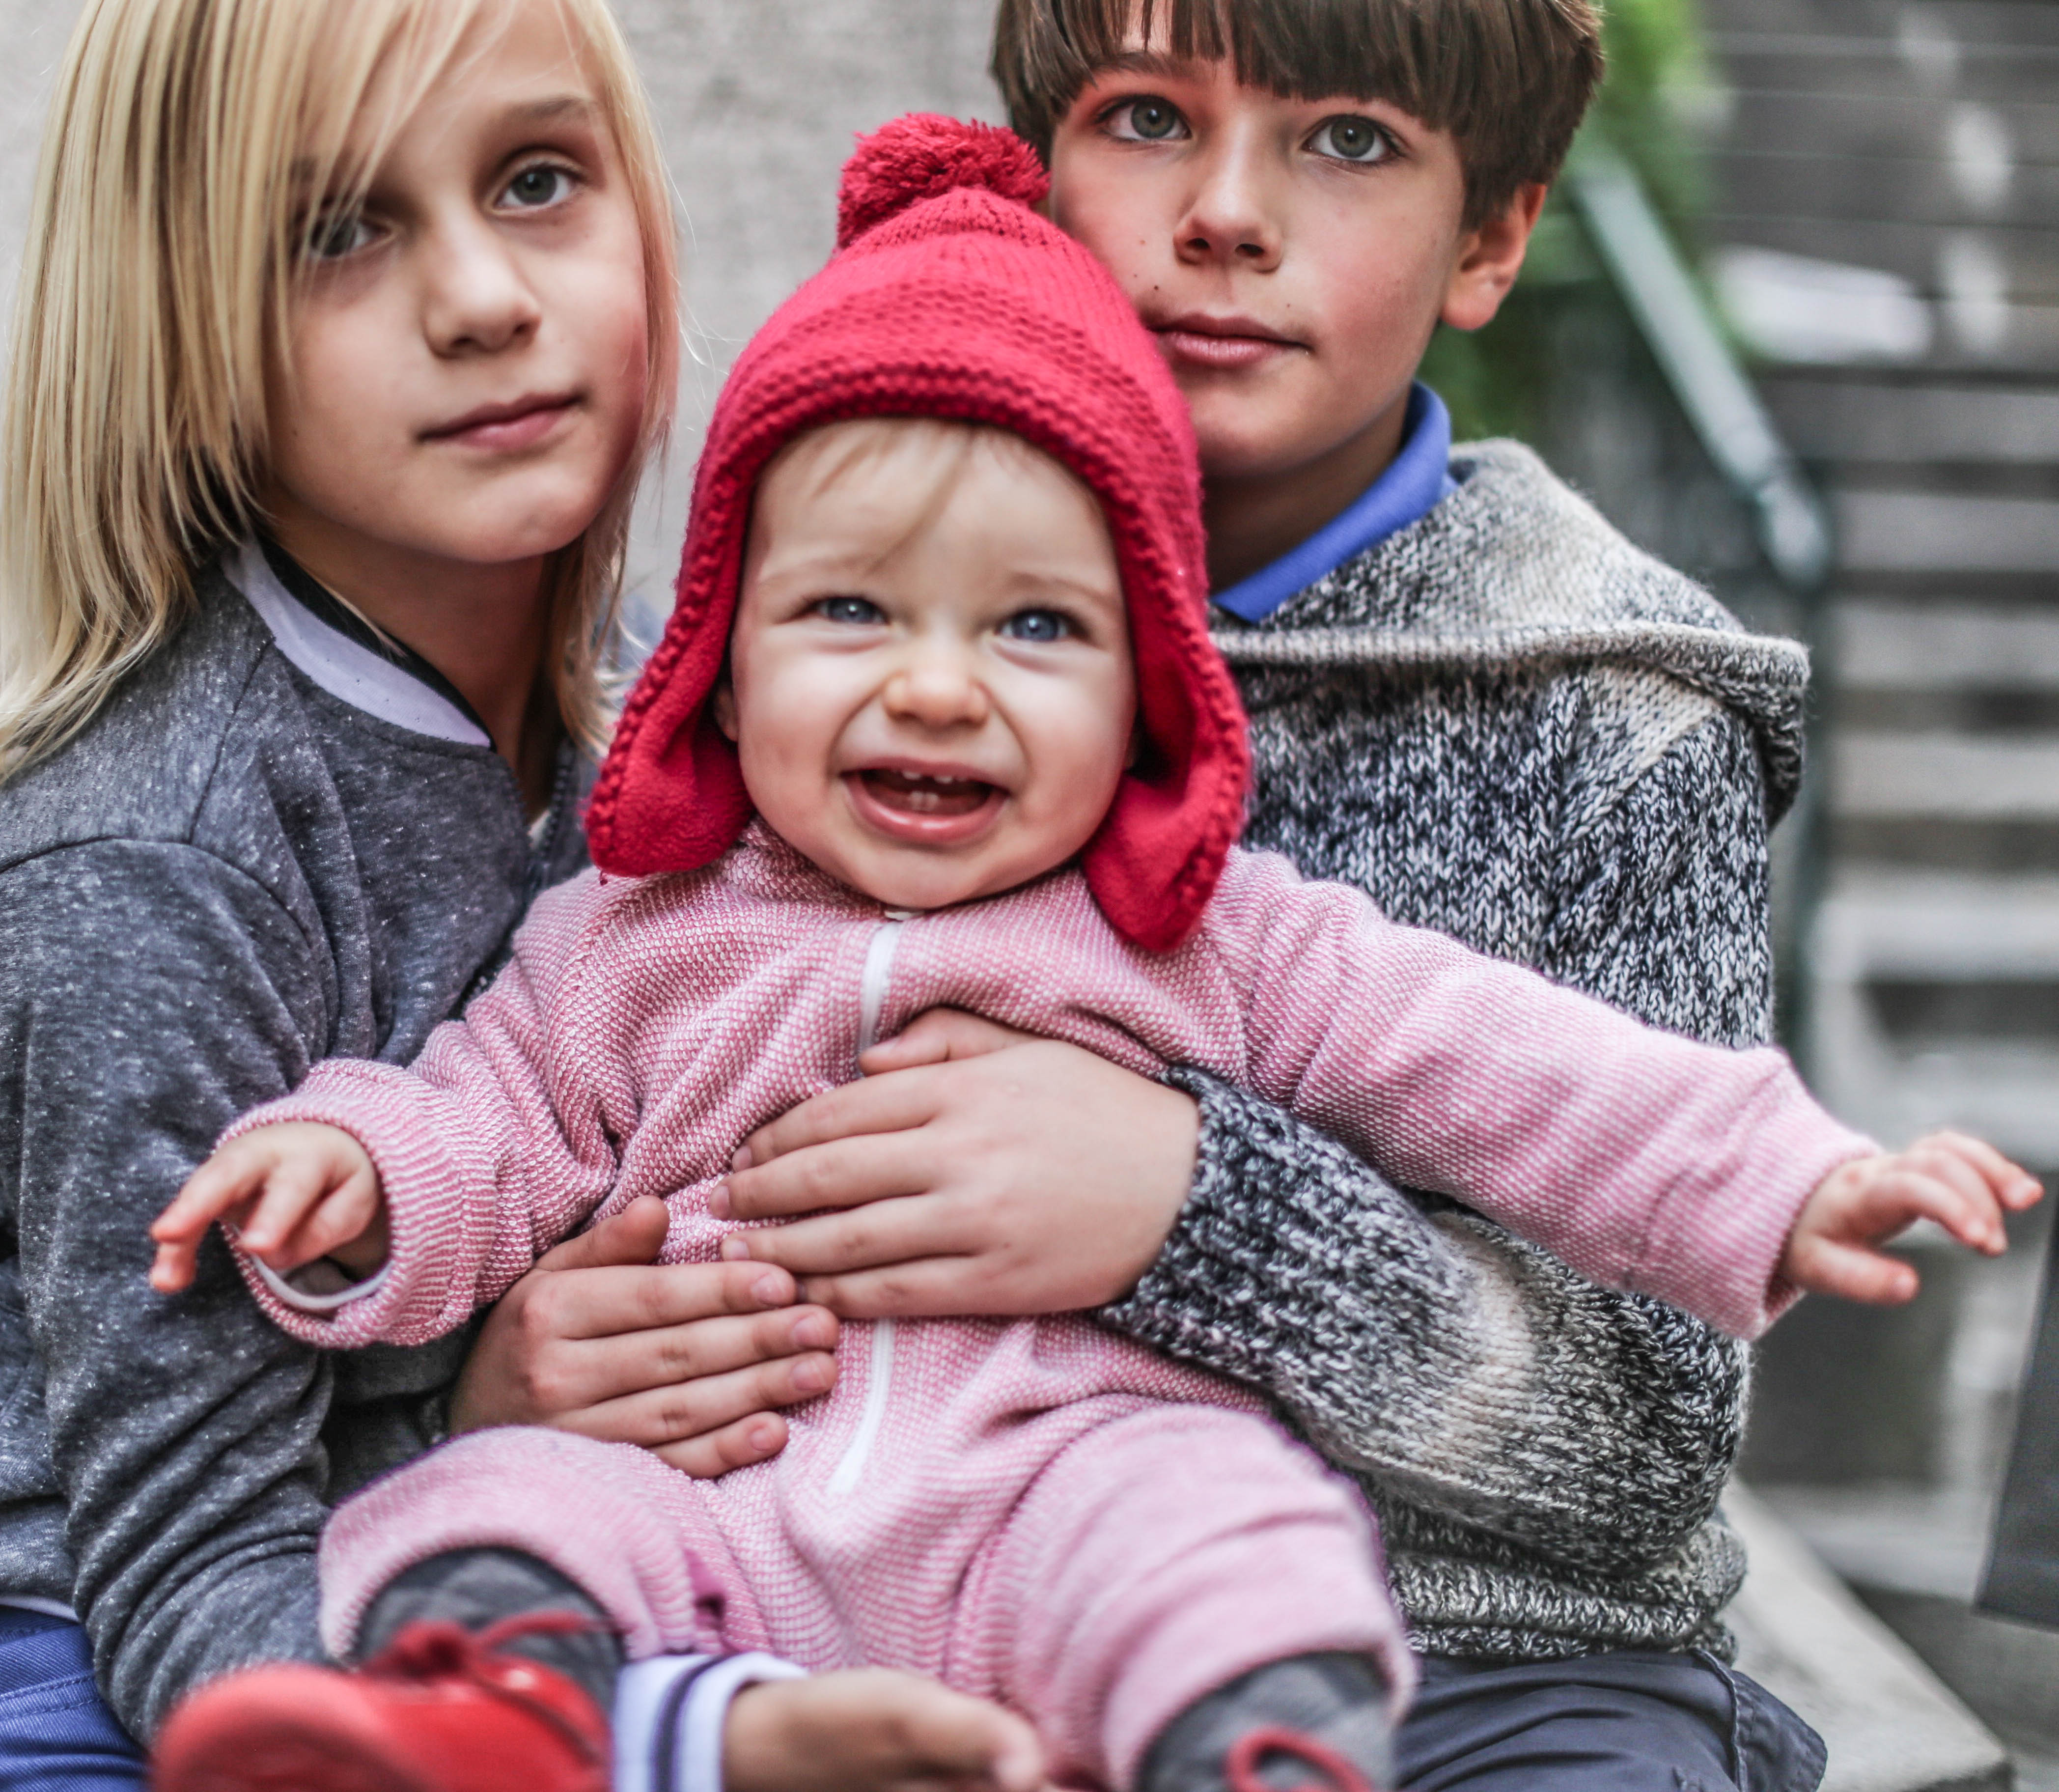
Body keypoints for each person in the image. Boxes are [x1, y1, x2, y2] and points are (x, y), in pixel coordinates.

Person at [141, 121, 2040, 1792]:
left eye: (1036, 629)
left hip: (1058, 1479)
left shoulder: (1199, 926)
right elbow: (496, 1111)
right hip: (722, 1498)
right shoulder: (636, 924)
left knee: (1220, 1528)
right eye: (854, 610)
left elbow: (1504, 1063)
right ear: (720, 651)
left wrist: (1783, 1175)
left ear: (1153, 688)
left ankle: (1255, 1739)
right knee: (488, 1505)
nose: (939, 685)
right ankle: (486, 1721)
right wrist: (363, 1178)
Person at [0, 4, 1037, 1788]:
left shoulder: (687, 729)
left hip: (477, 1552)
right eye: (338, 233)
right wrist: (478, 1438)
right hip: (70, 1640)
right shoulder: (149, 853)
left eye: (536, 182)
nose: (480, 299)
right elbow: (186, 1569)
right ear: (181, 328)